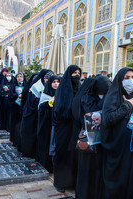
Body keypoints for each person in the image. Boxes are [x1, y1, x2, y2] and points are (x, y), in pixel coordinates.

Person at [101, 67, 133, 199]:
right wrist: (126, 106)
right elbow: (108, 120)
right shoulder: (113, 96)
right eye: (127, 78)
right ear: (120, 80)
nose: (131, 80)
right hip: (117, 148)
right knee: (118, 181)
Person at [72, 75, 111, 199]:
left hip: (102, 142)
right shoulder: (87, 98)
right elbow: (91, 114)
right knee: (87, 171)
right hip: (89, 142)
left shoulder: (108, 97)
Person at [52, 65, 81, 193]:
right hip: (64, 127)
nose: (77, 75)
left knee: (74, 155)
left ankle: (72, 181)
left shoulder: (80, 89)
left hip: (76, 127)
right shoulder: (62, 90)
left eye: (78, 73)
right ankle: (60, 182)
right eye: (74, 73)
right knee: (62, 153)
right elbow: (58, 109)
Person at [20, 69, 54, 158]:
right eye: (47, 78)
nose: (49, 80)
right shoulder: (36, 88)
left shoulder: (50, 88)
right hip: (32, 116)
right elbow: (31, 103)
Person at [37, 75, 60, 172]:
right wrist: (50, 103)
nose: (56, 84)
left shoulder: (61, 93)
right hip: (47, 124)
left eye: (57, 82)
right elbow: (41, 109)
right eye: (53, 82)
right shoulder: (45, 94)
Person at [8, 72, 26, 148]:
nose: (19, 78)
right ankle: (13, 138)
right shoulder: (14, 84)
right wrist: (17, 95)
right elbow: (11, 94)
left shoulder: (25, 85)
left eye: (21, 76)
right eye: (18, 76)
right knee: (14, 122)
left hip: (22, 106)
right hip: (15, 106)